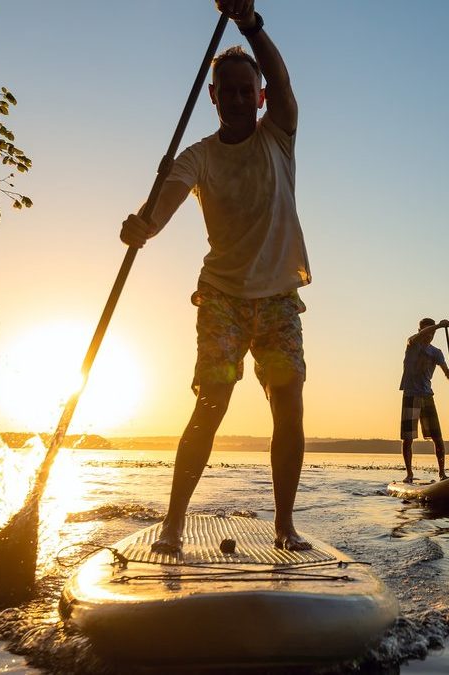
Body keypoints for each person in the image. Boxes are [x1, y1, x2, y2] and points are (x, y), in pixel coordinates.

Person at [120, 0, 311, 553]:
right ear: (213, 98)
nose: (235, 97)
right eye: (225, 90)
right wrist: (142, 226)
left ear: (260, 98)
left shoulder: (280, 133)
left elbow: (280, 75)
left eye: (244, 89)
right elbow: (162, 205)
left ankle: (284, 526)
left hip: (278, 297)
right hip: (223, 298)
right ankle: (175, 525)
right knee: (214, 398)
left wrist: (251, 25)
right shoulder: (198, 156)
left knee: (288, 402)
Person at [399, 318, 449, 483]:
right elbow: (417, 337)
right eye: (427, 331)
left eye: (432, 333)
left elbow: (446, 371)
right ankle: (409, 474)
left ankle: (442, 473)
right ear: (419, 331)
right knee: (408, 438)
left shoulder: (436, 352)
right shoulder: (412, 344)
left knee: (437, 437)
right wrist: (439, 326)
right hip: (411, 394)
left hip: (427, 396)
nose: (429, 335)